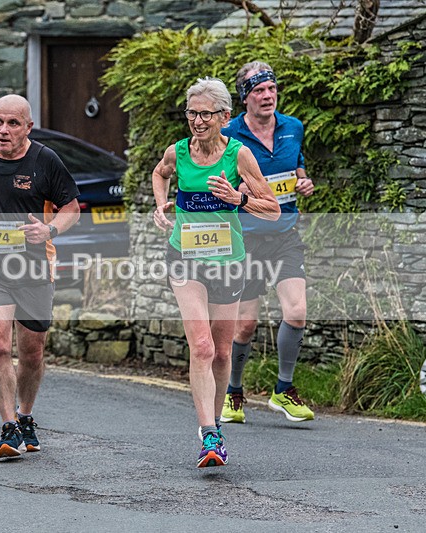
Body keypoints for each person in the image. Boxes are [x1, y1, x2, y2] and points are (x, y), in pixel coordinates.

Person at [152, 78, 279, 467]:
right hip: (185, 258)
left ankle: (217, 423)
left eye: (206, 113)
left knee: (222, 352)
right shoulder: (178, 152)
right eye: (192, 113)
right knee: (203, 347)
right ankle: (208, 434)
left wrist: (238, 198)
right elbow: (160, 173)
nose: (198, 120)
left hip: (229, 260)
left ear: (224, 116)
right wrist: (161, 206)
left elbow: (272, 208)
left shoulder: (239, 155)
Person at [0, 94, 80, 459]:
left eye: (12, 124)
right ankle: (8, 428)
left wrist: (50, 230)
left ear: (28, 127)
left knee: (32, 351)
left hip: (34, 266)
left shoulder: (45, 161)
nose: (3, 131)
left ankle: (26, 415)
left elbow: (71, 208)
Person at [220, 62, 316, 424]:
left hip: (284, 236)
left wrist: (304, 181)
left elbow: (298, 164)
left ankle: (283, 390)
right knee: (244, 325)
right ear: (245, 97)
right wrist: (237, 191)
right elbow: (215, 178)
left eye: (272, 89)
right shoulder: (229, 134)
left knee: (296, 311)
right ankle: (234, 393)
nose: (267, 96)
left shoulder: (293, 127)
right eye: (259, 91)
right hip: (244, 240)